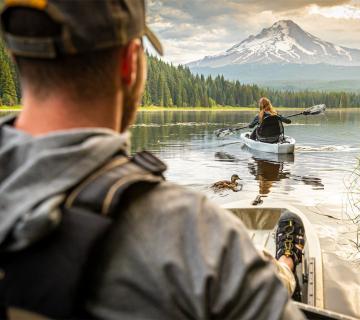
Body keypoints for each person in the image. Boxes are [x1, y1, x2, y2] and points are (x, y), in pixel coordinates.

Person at [0, 1, 306, 319]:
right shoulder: (194, 237)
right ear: (130, 63)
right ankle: (284, 266)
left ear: (14, 55)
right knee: (259, 277)